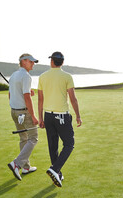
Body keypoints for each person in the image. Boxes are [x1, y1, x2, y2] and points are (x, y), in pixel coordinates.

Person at [38, 51, 82, 187]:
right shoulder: (67, 76)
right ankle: (55, 169)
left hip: (48, 116)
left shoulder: (42, 76)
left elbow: (40, 99)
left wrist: (40, 118)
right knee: (69, 144)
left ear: (52, 61)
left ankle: (58, 174)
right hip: (61, 115)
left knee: (53, 147)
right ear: (62, 62)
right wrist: (78, 115)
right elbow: (73, 99)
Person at [7, 53, 39, 181]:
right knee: (33, 138)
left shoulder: (14, 75)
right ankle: (17, 163)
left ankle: (26, 167)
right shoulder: (26, 76)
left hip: (14, 112)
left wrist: (28, 93)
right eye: (31, 61)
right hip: (24, 113)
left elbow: (10, 94)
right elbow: (26, 98)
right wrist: (33, 116)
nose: (33, 64)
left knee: (23, 139)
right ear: (24, 61)